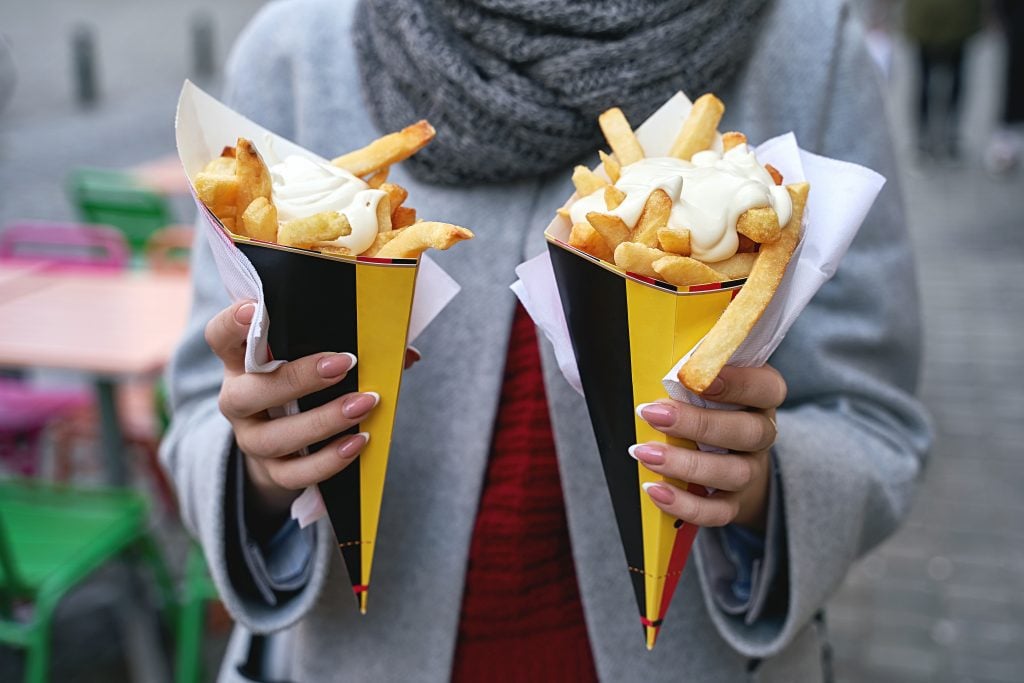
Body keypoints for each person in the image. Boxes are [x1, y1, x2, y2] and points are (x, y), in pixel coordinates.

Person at [161, 0, 932, 680]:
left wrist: (757, 483)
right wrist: (264, 464)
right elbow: (201, 405)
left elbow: (873, 420)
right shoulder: (294, 46)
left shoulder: (807, 41)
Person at [903, 0, 982, 160]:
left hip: (948, 17)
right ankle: (935, 138)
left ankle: (934, 138)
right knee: (928, 81)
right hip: (934, 17)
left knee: (936, 80)